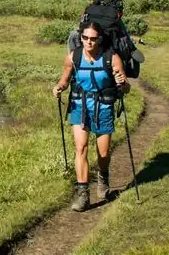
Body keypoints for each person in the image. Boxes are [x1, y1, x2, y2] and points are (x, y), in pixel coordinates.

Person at [53, 20, 131, 212]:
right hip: (79, 106)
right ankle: (83, 195)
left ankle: (103, 176)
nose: (89, 42)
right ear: (81, 37)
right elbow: (65, 80)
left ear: (100, 39)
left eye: (93, 38)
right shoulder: (73, 57)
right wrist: (59, 88)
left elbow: (126, 88)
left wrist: (122, 84)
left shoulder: (111, 58)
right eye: (85, 38)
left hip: (103, 107)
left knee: (103, 153)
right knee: (81, 148)